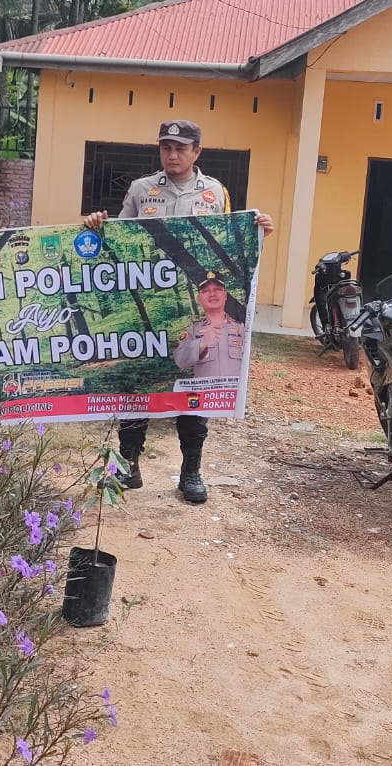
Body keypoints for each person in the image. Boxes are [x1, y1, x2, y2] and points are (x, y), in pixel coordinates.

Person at [81, 119, 274, 505]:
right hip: (147, 307)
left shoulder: (215, 193)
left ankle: (190, 472)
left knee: (194, 388)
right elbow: (121, 244)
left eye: (181, 148)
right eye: (166, 147)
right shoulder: (141, 190)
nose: (172, 154)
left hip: (192, 310)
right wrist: (98, 227)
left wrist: (256, 233)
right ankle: (128, 465)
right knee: (139, 385)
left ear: (196, 152)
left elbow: (228, 245)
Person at [174, 272, 248, 379]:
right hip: (205, 394)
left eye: (217, 289)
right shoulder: (193, 331)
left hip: (234, 394)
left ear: (225, 295)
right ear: (199, 299)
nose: (212, 294)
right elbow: (180, 361)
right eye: (206, 291)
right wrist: (201, 344)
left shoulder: (242, 329)